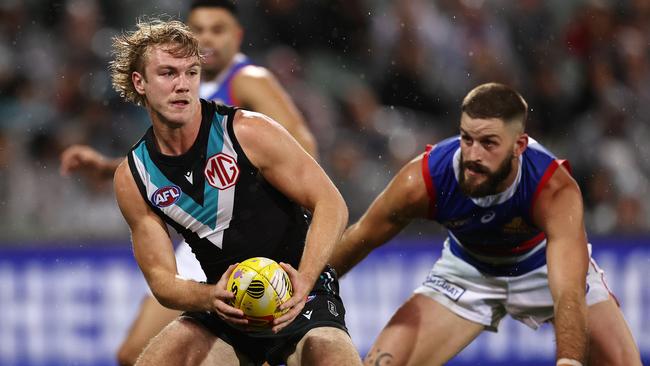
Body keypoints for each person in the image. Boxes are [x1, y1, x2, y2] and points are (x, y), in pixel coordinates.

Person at [58, 1, 318, 365]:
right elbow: (174, 164)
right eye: (200, 29)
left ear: (238, 36)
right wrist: (107, 167)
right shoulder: (184, 86)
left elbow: (300, 145)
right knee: (135, 352)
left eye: (218, 29)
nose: (207, 38)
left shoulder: (246, 80)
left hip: (249, 233)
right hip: (207, 235)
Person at [329, 83, 641, 365]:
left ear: (519, 146)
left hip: (540, 267)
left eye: (489, 143)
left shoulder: (552, 188)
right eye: (467, 139)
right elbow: (362, 236)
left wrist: (569, 363)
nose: (473, 155)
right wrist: (307, 291)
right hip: (468, 271)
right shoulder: (423, 180)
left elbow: (568, 292)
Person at [109, 18, 361, 366]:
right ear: (140, 82)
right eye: (168, 73)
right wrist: (211, 296)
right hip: (228, 307)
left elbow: (331, 204)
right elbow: (162, 280)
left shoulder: (248, 131)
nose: (182, 85)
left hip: (303, 298)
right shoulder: (133, 176)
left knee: (330, 352)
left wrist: (304, 280)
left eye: (191, 72)